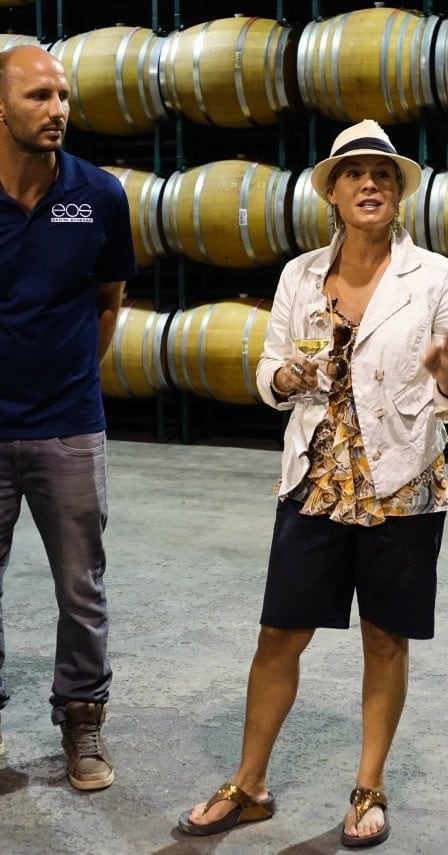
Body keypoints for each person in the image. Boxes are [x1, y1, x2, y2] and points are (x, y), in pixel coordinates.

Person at [177, 119, 448, 847]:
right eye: (355, 174)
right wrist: (284, 376)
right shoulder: (300, 274)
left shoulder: (434, 276)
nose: (370, 183)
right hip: (316, 478)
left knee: (384, 637)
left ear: (399, 190)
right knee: (279, 633)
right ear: (334, 193)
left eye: (383, 173)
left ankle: (368, 787)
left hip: (401, 479)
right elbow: (271, 368)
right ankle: (248, 782)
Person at [0, 45, 136, 790]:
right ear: (0, 106)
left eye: (63, 96)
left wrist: (73, 375)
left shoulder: (99, 195)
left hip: (68, 424)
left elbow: (109, 299)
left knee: (81, 586)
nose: (56, 109)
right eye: (38, 96)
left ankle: (82, 718)